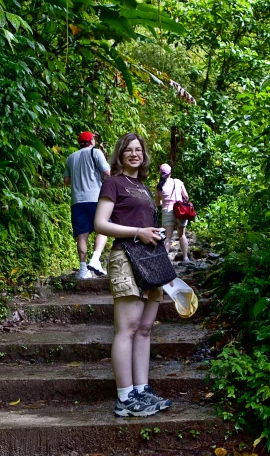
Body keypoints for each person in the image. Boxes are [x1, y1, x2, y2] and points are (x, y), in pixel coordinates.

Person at [94, 132, 173, 417]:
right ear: (120, 154)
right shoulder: (113, 183)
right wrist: (137, 232)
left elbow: (152, 229)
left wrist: (166, 268)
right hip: (126, 257)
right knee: (126, 329)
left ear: (144, 155)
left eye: (138, 149)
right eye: (128, 150)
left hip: (151, 261)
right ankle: (125, 398)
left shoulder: (143, 187)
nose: (134, 154)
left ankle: (141, 390)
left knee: (145, 328)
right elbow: (100, 224)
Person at [64, 131, 110, 279]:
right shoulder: (95, 152)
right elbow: (107, 172)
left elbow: (66, 181)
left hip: (77, 201)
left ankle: (83, 269)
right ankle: (95, 260)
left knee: (81, 235)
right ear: (91, 141)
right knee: (103, 228)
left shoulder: (71, 158)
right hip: (95, 198)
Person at [155, 164, 191, 263]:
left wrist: (164, 202)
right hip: (180, 211)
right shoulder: (178, 182)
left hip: (167, 211)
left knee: (167, 237)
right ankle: (185, 258)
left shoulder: (159, 187)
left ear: (160, 173)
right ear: (170, 173)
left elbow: (158, 203)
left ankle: (166, 261)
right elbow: (186, 197)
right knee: (182, 235)